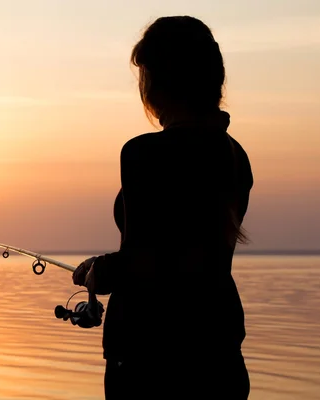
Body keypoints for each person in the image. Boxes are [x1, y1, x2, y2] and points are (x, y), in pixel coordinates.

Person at [72, 16, 253, 399]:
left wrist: (100, 271)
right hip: (218, 357)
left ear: (155, 82)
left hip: (147, 363)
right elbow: (194, 254)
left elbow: (149, 261)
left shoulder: (143, 153)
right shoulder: (235, 156)